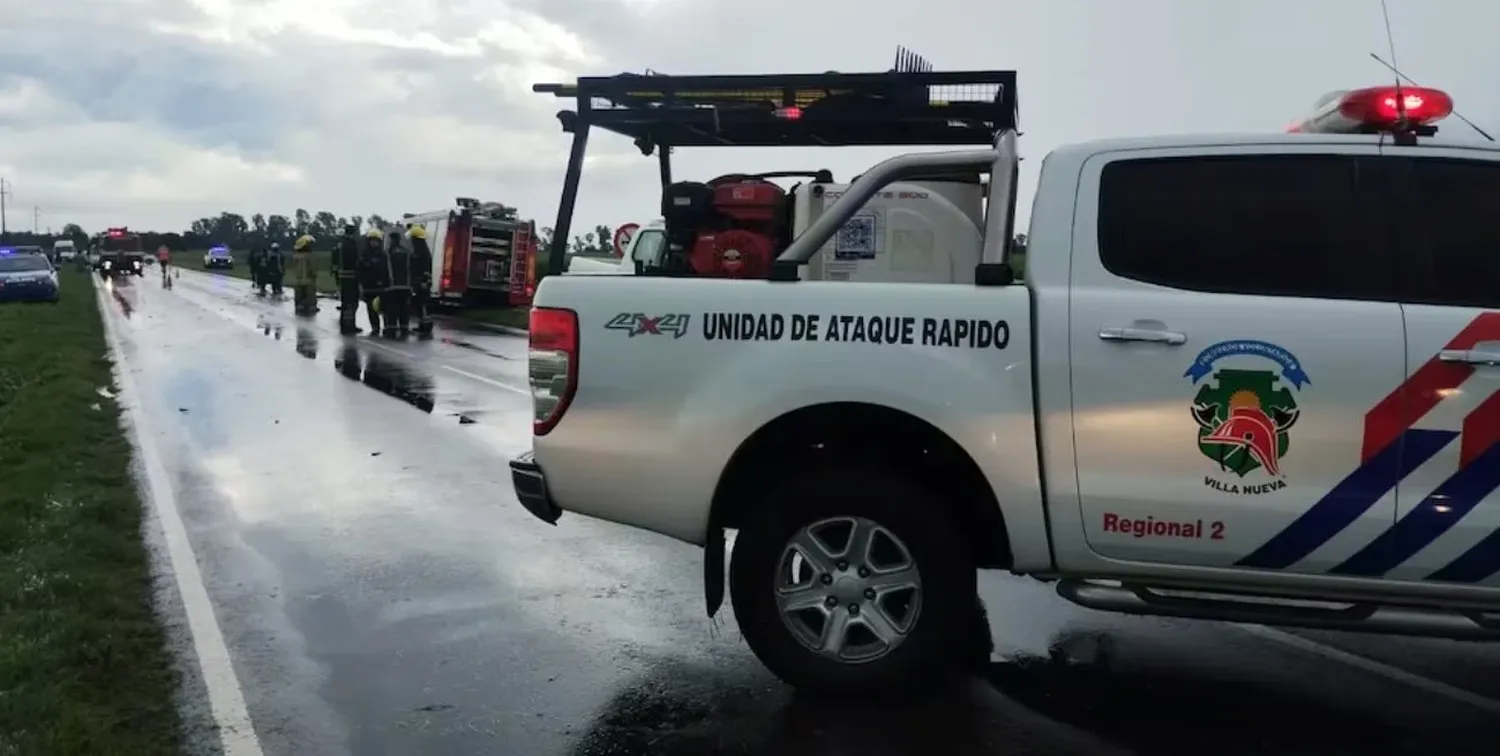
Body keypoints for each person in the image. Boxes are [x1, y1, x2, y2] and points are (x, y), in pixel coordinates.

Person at [357, 229, 390, 335]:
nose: (374, 243)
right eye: (372, 240)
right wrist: (361, 285)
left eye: (376, 240)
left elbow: (387, 270)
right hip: (369, 286)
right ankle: (375, 327)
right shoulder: (364, 254)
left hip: (382, 286)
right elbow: (360, 270)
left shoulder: (383, 255)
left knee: (385, 308)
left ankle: (387, 327)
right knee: (371, 309)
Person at [383, 227, 413, 337]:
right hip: (406, 286)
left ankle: (391, 329)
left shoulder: (388, 253)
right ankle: (404, 328)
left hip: (392, 286)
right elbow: (411, 268)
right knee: (404, 309)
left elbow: (384, 269)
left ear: (392, 240)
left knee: (392, 310)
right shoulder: (407, 252)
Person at [333, 225, 362, 334]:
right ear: (353, 233)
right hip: (351, 277)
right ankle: (350, 325)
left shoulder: (341, 244)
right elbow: (354, 262)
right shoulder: (350, 245)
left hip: (343, 277)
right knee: (352, 303)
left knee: (345, 302)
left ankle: (344, 322)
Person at [408, 224, 434, 336]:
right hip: (420, 282)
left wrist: (424, 282)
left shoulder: (421, 252)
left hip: (422, 283)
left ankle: (426, 326)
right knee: (419, 305)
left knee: (423, 306)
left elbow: (425, 269)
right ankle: (422, 325)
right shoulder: (421, 250)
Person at [289, 234, 318, 315]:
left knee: (299, 297)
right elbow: (312, 268)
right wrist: (314, 275)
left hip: (298, 280)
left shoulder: (295, 256)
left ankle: (299, 307)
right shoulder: (309, 256)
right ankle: (310, 309)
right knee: (310, 297)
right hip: (308, 280)